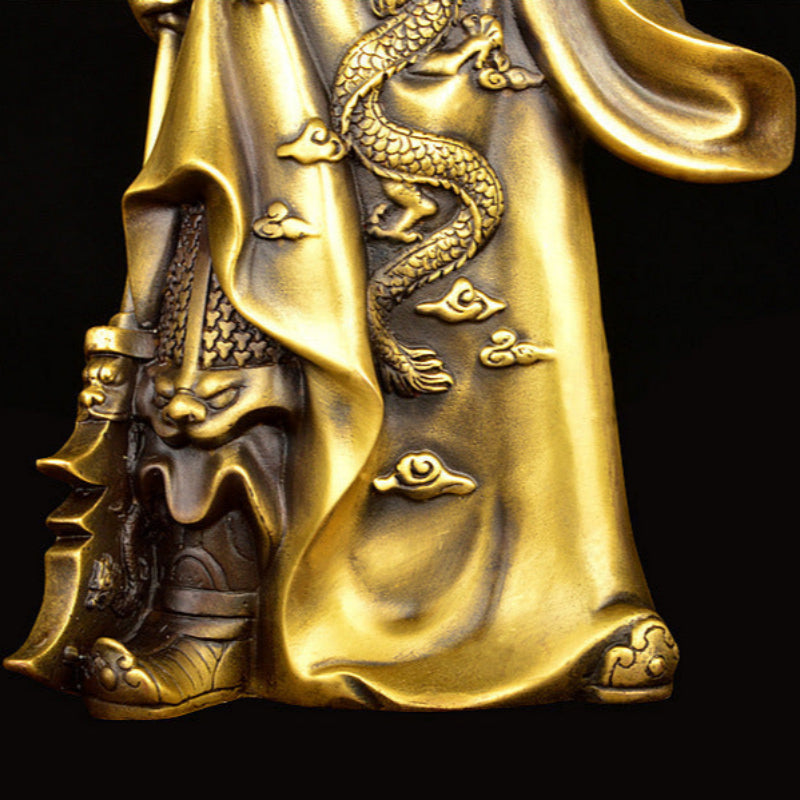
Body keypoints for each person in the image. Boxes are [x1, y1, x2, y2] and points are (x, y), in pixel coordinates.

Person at [6, 0, 794, 719]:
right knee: (237, 297)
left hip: (482, 43)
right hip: (277, 30)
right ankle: (211, 613)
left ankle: (570, 607)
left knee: (516, 327)